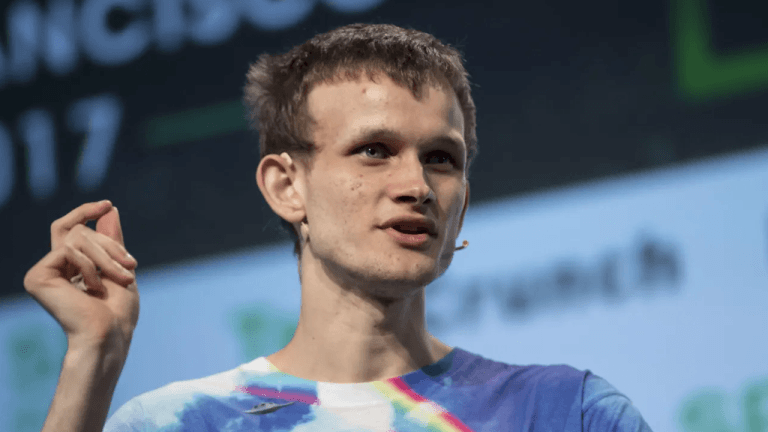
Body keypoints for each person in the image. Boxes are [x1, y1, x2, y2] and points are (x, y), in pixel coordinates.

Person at [24, 23, 653, 431]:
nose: (416, 185)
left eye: (442, 158)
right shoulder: (179, 422)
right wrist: (93, 356)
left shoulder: (566, 412)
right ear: (286, 186)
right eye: (374, 150)